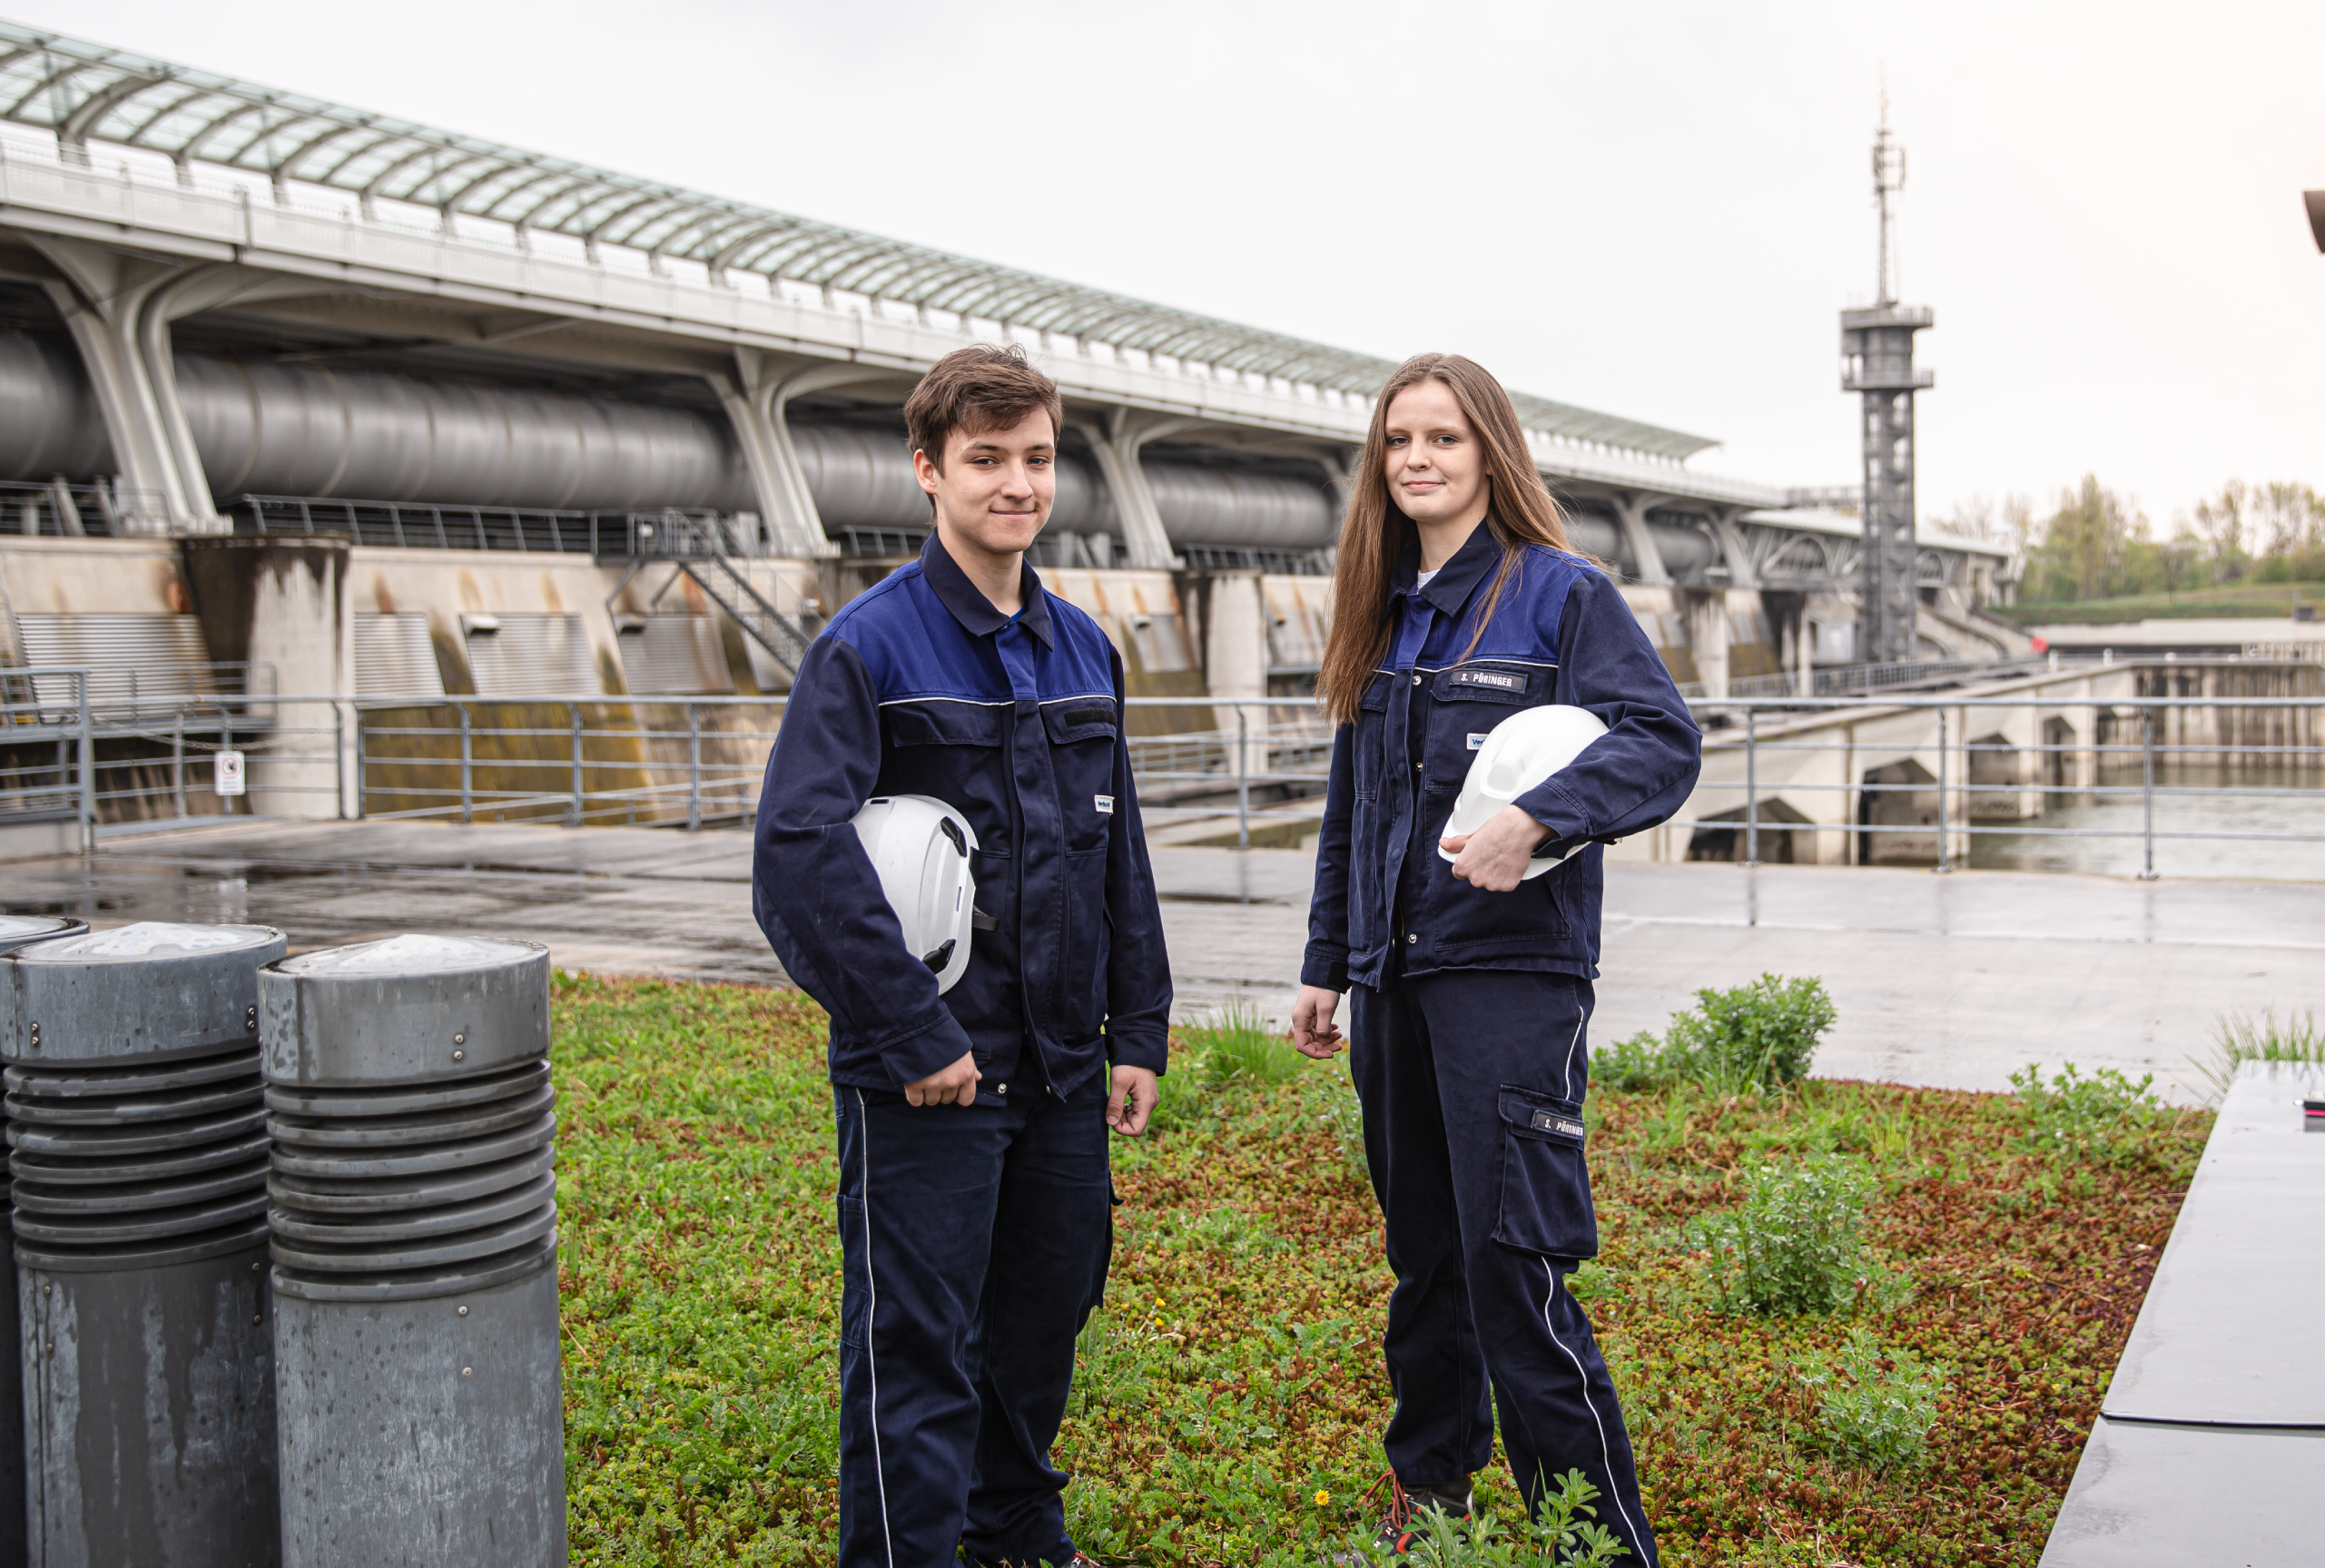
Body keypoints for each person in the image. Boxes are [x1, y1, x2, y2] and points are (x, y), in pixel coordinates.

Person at [753, 344, 1171, 1568]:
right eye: (986, 460)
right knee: (917, 1346)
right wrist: (909, 1032)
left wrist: (1136, 1025)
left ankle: (1019, 1542)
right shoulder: (869, 651)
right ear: (928, 469)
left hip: (1058, 1064)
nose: (1016, 485)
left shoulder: (1085, 649)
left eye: (1035, 458)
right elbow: (796, 854)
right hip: (933, 1067)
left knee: (1044, 1318)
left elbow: (1117, 850)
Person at [1287, 353, 1700, 1564]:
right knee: (1425, 1254)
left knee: (1510, 1259)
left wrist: (1545, 814)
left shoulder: (1561, 596)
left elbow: (1664, 744)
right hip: (1390, 978)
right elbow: (1351, 808)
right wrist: (1328, 960)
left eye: (1445, 439)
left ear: (1490, 455)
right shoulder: (1380, 610)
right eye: (1399, 440)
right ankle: (1433, 1498)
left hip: (1511, 981)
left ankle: (1596, 1544)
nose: (1418, 459)